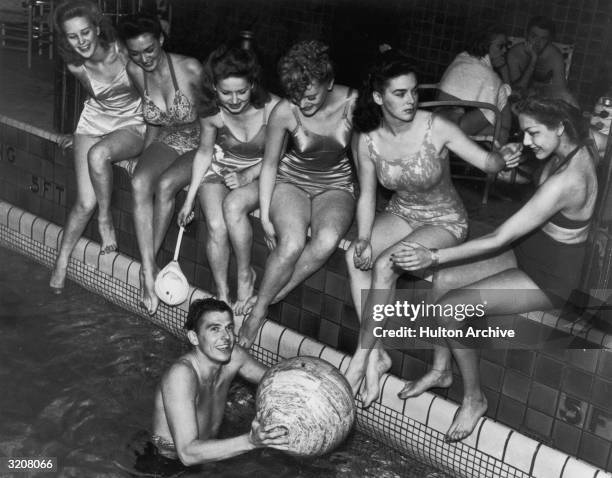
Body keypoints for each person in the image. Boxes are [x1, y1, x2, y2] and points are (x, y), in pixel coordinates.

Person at [392, 97, 597, 443]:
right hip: (527, 253)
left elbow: (501, 236)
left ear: (560, 127)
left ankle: (474, 398)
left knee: (450, 307)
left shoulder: (571, 180)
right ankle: (442, 370)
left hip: (548, 279)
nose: (528, 141)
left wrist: (434, 255)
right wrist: (515, 158)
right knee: (443, 282)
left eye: (533, 133)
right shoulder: (575, 143)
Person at [342, 50, 518, 408]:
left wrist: (504, 158)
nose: (411, 100)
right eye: (400, 93)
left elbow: (487, 161)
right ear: (378, 97)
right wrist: (362, 238)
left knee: (385, 264)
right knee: (353, 257)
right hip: (402, 211)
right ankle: (377, 357)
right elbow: (367, 195)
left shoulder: (436, 127)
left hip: (444, 219)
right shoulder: (368, 138)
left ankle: (360, 360)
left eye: (414, 92)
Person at [237, 40, 357, 348]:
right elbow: (270, 164)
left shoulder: (353, 103)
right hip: (292, 180)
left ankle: (275, 292)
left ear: (329, 82)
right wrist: (265, 215)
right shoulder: (284, 111)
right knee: (290, 243)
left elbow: (367, 160)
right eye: (296, 96)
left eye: (311, 95)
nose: (303, 104)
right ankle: (259, 310)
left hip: (336, 184)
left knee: (327, 240)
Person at [49, 0, 145, 293]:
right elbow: (97, 99)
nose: (81, 41)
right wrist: (77, 133)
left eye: (85, 33)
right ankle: (61, 262)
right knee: (83, 202)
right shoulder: (75, 64)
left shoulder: (125, 51)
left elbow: (152, 94)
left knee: (99, 154)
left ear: (97, 28)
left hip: (133, 122)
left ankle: (105, 220)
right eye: (72, 36)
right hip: (94, 122)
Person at [176, 44, 280, 310]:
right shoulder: (212, 113)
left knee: (232, 206)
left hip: (263, 172)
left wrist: (248, 175)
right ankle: (222, 293)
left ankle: (245, 273)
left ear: (253, 84)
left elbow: (278, 157)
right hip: (220, 167)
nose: (234, 100)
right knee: (215, 225)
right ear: (213, 87)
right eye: (226, 93)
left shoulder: (274, 109)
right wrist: (189, 201)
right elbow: (204, 153)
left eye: (242, 91)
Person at [117, 14, 202, 315]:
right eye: (136, 53)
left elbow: (216, 123)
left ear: (161, 40)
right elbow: (153, 118)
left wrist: (203, 171)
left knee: (166, 185)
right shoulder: (134, 70)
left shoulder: (190, 68)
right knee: (140, 180)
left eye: (149, 50)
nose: (144, 58)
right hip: (168, 138)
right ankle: (148, 269)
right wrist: (145, 155)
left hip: (203, 143)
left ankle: (147, 267)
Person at [152, 298, 289, 464]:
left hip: (209, 455)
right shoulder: (181, 376)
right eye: (215, 329)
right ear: (194, 338)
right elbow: (187, 454)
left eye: (229, 328)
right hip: (166, 464)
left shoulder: (234, 357)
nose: (226, 337)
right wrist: (250, 441)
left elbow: (278, 380)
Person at [437, 25, 512, 144]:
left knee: (500, 131)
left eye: (506, 46)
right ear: (485, 45)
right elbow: (505, 114)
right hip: (453, 128)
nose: (505, 50)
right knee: (503, 131)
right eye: (500, 46)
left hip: (440, 121)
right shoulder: (487, 75)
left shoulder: (464, 58)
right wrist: (503, 69)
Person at [506, 16, 577, 106]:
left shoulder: (554, 57)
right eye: (534, 36)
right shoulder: (515, 54)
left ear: (549, 40)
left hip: (542, 102)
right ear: (526, 35)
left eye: (543, 38)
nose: (537, 42)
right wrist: (533, 61)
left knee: (570, 99)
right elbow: (516, 92)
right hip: (516, 102)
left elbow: (561, 91)